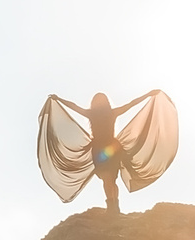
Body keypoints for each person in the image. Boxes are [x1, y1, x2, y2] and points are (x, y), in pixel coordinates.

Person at [37, 88, 179, 211]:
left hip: (109, 148)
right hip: (103, 148)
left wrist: (148, 95)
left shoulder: (106, 113)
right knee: (109, 179)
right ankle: (112, 204)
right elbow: (74, 106)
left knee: (109, 179)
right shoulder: (98, 113)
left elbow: (131, 104)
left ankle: (113, 205)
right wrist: (59, 99)